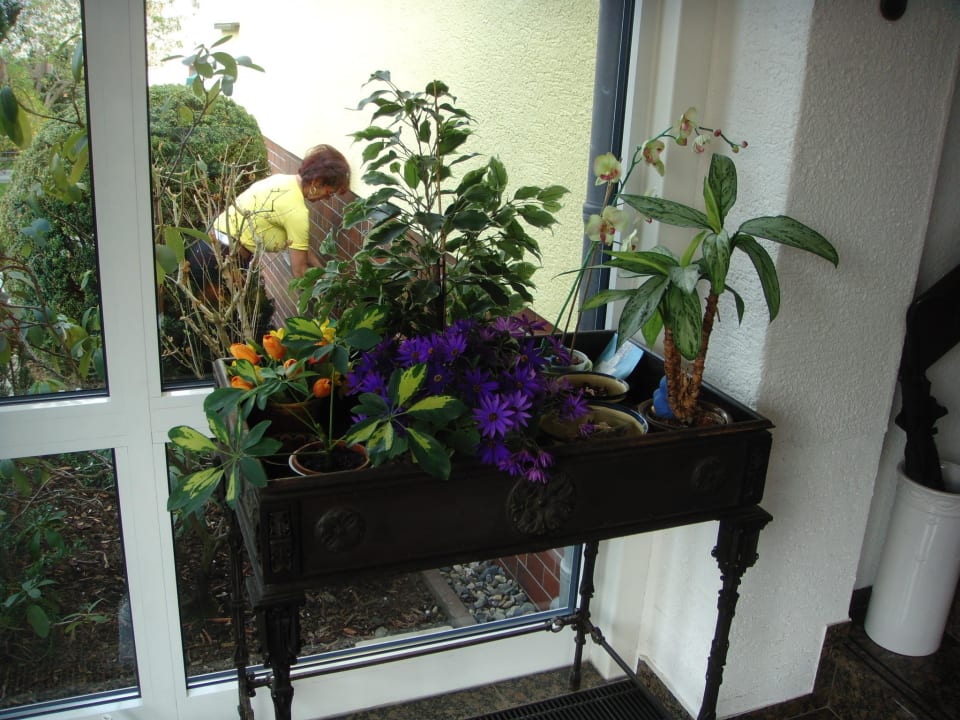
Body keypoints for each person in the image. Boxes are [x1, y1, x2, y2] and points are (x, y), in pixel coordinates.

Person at [187, 144, 351, 300]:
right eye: (330, 193)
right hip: (219, 263)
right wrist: (332, 293)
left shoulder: (281, 181)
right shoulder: (296, 211)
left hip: (205, 249)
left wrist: (325, 273)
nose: (328, 199)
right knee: (228, 317)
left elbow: (301, 248)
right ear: (316, 182)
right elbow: (300, 271)